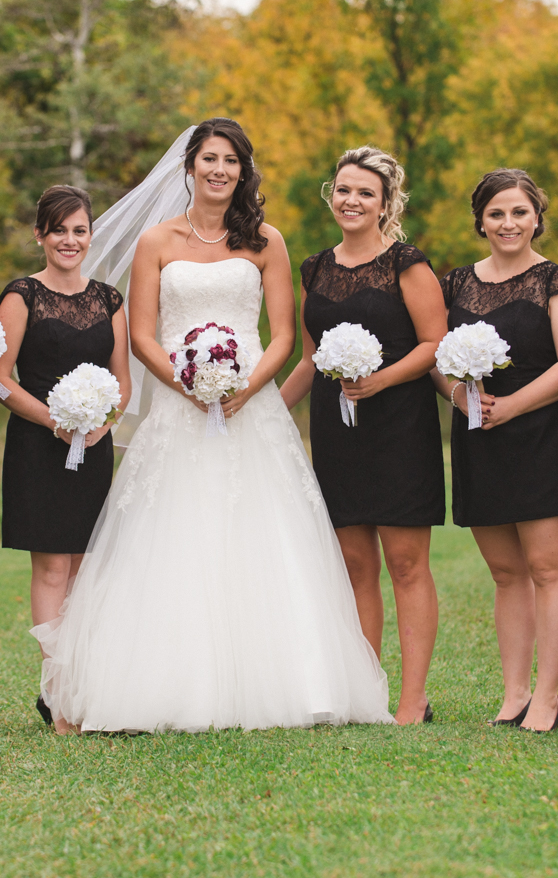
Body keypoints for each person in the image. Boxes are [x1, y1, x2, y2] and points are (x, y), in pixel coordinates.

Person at [33, 118, 392, 733]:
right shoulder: (157, 241)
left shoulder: (265, 242)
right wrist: (185, 384)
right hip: (179, 407)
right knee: (171, 535)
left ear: (244, 171)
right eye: (209, 159)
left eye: (231, 160)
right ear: (190, 167)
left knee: (263, 536)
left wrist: (245, 388)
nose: (220, 170)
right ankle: (153, 688)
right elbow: (141, 333)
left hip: (251, 407)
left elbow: (283, 336)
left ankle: (289, 683)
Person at [280, 148, 447, 725]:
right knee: (353, 563)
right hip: (336, 428)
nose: (351, 201)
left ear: (385, 203)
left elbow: (433, 345)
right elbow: (307, 359)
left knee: (406, 562)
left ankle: (412, 697)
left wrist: (380, 382)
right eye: (343, 190)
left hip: (400, 424)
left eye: (365, 193)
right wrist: (266, 414)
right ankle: (364, 691)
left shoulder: (407, 263)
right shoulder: (314, 270)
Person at [432, 169, 558, 733]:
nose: (508, 223)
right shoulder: (452, 285)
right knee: (504, 572)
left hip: (541, 431)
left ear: (536, 217)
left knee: (547, 569)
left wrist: (515, 405)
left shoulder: (557, 281)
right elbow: (433, 354)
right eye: (496, 213)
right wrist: (455, 393)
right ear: (480, 220)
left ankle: (547, 696)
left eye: (519, 212)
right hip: (478, 436)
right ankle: (514, 691)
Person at [0, 186, 131, 727]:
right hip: (38, 446)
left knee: (87, 570)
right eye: (59, 230)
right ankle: (59, 697)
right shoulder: (21, 295)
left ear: (91, 236)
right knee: (51, 570)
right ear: (40, 235)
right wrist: (55, 419)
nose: (69, 241)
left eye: (79, 231)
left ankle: (87, 686)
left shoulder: (109, 299)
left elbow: (122, 380)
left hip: (94, 449)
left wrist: (104, 423)